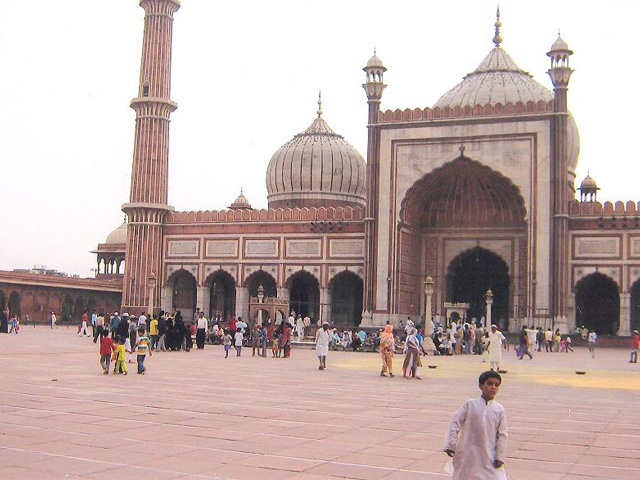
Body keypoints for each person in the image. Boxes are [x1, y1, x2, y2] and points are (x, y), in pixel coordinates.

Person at [444, 370, 508, 480]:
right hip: (468, 453)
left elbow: (502, 434)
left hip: (489, 454)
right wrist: (451, 444)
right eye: (489, 383)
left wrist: (500, 456)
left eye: (496, 385)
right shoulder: (470, 404)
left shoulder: (499, 410)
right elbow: (455, 423)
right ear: (481, 386)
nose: (493, 387)